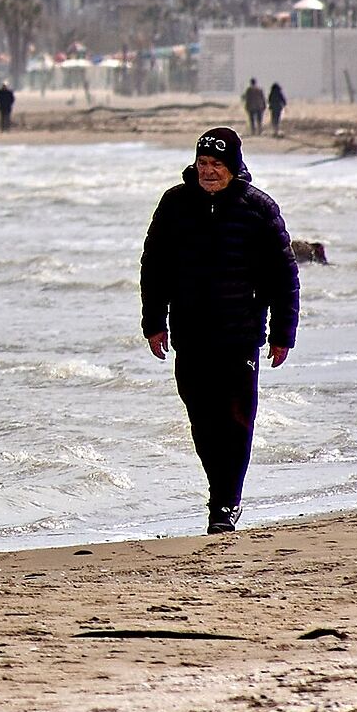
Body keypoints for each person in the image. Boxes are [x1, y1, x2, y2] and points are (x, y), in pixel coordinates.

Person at [140, 127, 299, 534]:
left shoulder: (259, 208)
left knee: (236, 421)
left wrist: (283, 333)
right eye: (203, 163)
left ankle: (226, 503)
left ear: (233, 167)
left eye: (217, 164)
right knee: (202, 420)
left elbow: (284, 276)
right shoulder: (175, 204)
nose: (208, 171)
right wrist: (154, 323)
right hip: (190, 334)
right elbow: (154, 267)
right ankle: (221, 491)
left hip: (240, 335)